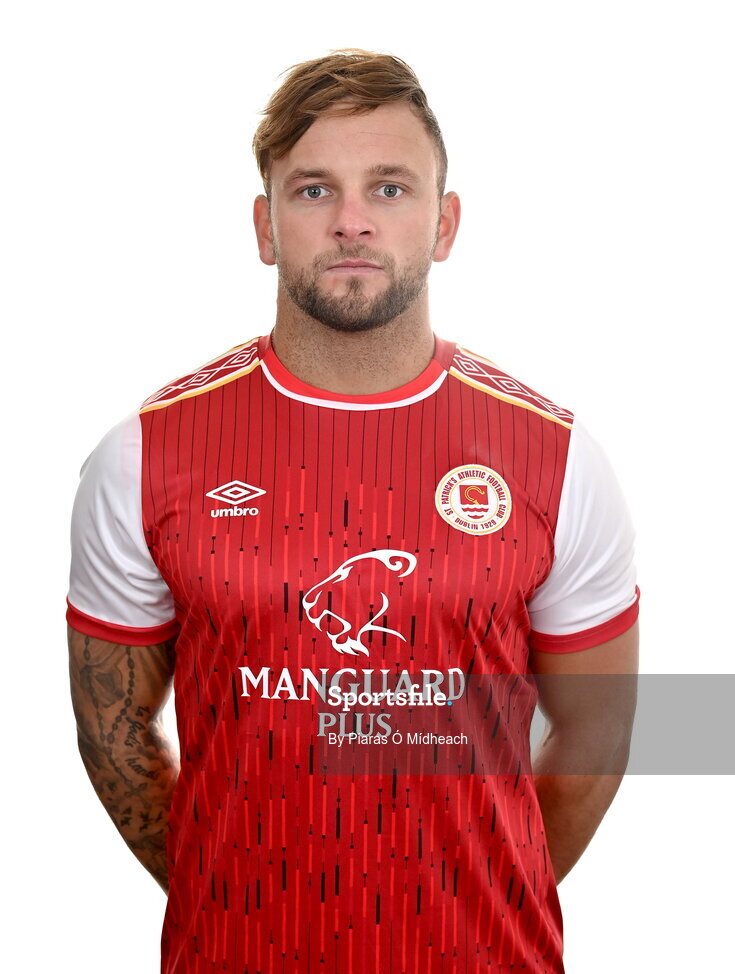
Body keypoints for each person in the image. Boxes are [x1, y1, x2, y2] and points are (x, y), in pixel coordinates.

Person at [66, 47, 640, 974]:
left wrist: (482, 896)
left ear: (443, 223)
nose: (350, 223)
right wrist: (232, 895)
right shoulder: (145, 456)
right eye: (311, 192)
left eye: (388, 189)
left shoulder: (555, 458)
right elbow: (111, 728)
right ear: (264, 226)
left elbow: (598, 727)